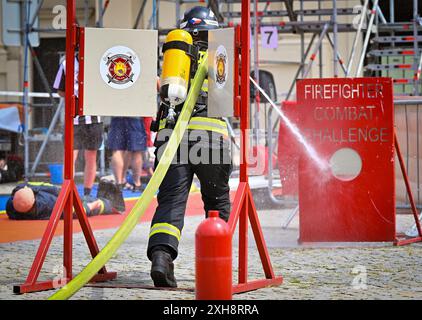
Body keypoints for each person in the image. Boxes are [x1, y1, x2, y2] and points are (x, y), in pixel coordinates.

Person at [147, 6, 232, 288]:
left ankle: (161, 259)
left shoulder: (177, 56)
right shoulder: (223, 53)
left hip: (172, 139)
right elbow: (235, 98)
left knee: (170, 201)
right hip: (211, 139)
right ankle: (216, 266)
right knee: (217, 203)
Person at [53, 54, 104, 200]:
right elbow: (59, 89)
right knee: (70, 156)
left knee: (91, 157)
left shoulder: (97, 61)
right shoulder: (66, 64)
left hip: (94, 118)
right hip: (73, 119)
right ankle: (68, 191)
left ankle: (87, 193)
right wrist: (74, 96)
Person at [6, 182, 122, 220]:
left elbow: (24, 186)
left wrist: (58, 190)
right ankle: (111, 205)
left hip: (59, 196)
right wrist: (92, 206)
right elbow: (74, 211)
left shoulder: (12, 206)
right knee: (91, 203)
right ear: (34, 199)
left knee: (83, 199)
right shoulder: (49, 207)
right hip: (66, 202)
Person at [107, 116, 147, 192]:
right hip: (135, 116)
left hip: (117, 115)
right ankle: (137, 184)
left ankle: (119, 183)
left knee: (117, 150)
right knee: (136, 152)